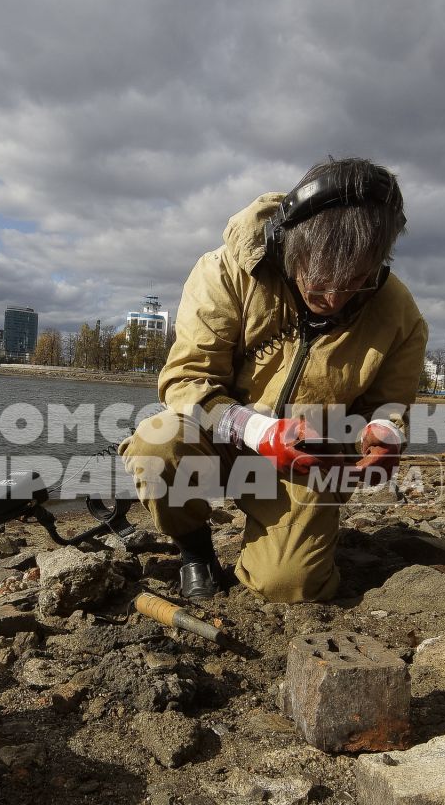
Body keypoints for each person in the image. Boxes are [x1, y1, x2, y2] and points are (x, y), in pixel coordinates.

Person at [120, 157, 427, 603]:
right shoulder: (225, 271)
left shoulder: (400, 314)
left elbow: (388, 408)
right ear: (291, 243)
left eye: (357, 280)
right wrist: (261, 432)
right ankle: (195, 550)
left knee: (288, 585)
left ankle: (282, 537)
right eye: (320, 279)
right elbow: (186, 381)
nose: (334, 297)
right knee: (157, 445)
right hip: (218, 436)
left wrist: (382, 435)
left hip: (307, 457)